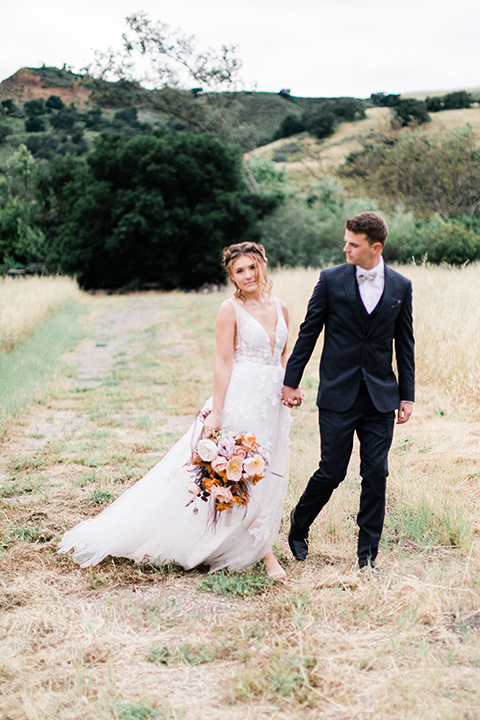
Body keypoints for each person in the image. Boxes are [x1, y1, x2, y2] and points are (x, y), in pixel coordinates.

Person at [59, 242, 291, 580]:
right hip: (241, 397)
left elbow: (285, 355)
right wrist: (217, 412)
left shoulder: (282, 307)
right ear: (232, 276)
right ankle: (263, 552)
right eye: (239, 271)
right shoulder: (230, 309)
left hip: (273, 402)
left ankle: (254, 539)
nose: (247, 276)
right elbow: (223, 361)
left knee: (267, 473)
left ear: (263, 266)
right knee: (239, 470)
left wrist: (289, 387)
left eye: (252, 267)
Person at [282, 212, 414, 571]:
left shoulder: (401, 286)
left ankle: (367, 555)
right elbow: (308, 333)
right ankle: (299, 525)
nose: (345, 248)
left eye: (353, 244)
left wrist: (407, 395)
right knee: (332, 471)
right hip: (338, 394)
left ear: (375, 247)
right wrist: (291, 380)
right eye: (345, 241)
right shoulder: (330, 280)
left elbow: (405, 345)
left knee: (376, 473)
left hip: (380, 397)